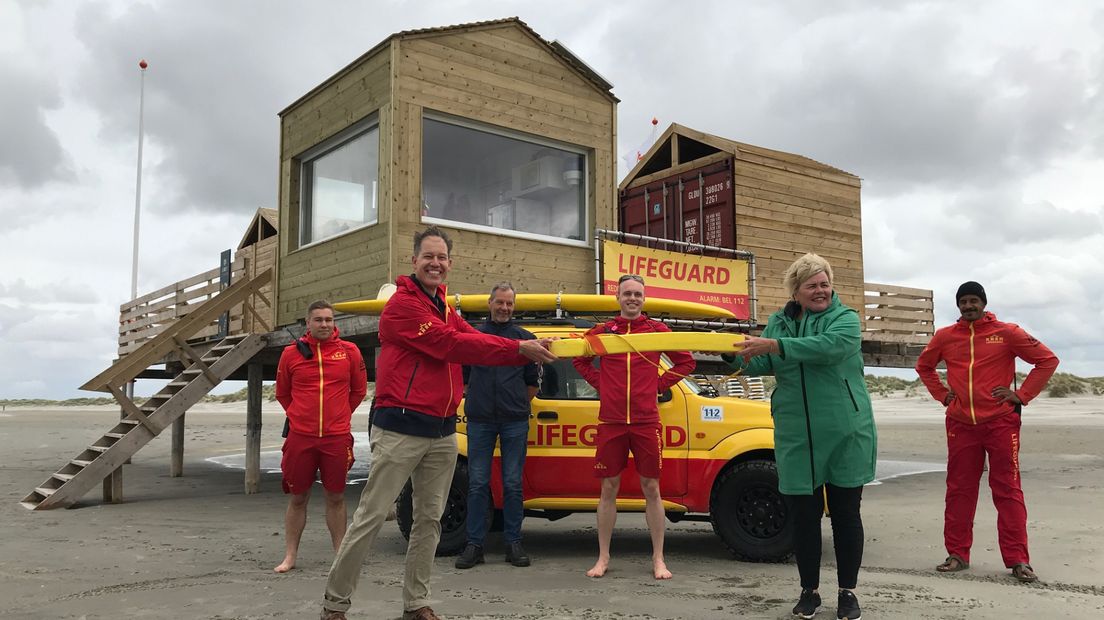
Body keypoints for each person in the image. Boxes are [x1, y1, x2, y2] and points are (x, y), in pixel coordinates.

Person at [320, 226, 557, 620]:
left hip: (443, 429)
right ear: (414, 261)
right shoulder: (402, 306)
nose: (436, 263)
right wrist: (518, 349)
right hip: (400, 426)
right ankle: (335, 604)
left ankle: (416, 603)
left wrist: (527, 348)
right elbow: (452, 345)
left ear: (449, 263)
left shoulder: (445, 307)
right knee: (371, 516)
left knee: (429, 520)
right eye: (428, 256)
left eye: (442, 257)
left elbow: (473, 339)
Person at [721, 253, 876, 620]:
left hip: (844, 432)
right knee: (804, 518)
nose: (820, 291)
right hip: (796, 434)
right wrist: (731, 353)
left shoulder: (846, 319)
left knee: (845, 515)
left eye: (824, 283)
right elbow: (761, 363)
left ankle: (847, 593)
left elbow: (828, 348)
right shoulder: (780, 322)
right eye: (812, 285)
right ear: (796, 290)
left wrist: (775, 346)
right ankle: (809, 591)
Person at [915, 281, 1058, 583]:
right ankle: (957, 555)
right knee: (959, 490)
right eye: (963, 302)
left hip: (1001, 423)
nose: (968, 306)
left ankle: (1018, 560)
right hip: (960, 424)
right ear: (958, 306)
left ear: (983, 302)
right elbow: (924, 366)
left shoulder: (1007, 333)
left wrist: (1021, 395)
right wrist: (942, 395)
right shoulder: (945, 337)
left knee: (1007, 489)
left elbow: (1047, 360)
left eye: (973, 301)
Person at [572, 274, 695, 580]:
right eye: (627, 293)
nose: (632, 298)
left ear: (644, 298)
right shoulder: (603, 332)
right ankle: (602, 558)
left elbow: (686, 362)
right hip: (611, 421)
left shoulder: (657, 330)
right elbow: (578, 359)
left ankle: (658, 559)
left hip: (645, 420)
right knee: (608, 488)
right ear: (617, 297)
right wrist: (603, 384)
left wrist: (657, 384)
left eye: (637, 294)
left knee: (651, 488)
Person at [274, 300, 368, 574]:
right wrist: (300, 416)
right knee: (298, 497)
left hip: (336, 437)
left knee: (336, 497)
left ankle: (340, 554)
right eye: (319, 320)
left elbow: (358, 391)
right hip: (300, 437)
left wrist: (339, 416)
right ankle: (290, 556)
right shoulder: (290, 354)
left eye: (329, 319)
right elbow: (283, 393)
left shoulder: (349, 351)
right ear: (308, 323)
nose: (325, 324)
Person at [455, 282, 541, 570]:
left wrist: (515, 403)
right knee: (478, 484)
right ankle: (474, 544)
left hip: (515, 421)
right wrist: (480, 398)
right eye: (499, 302)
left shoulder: (525, 340)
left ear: (514, 306)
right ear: (489, 303)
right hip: (479, 421)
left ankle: (513, 543)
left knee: (513, 484)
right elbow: (464, 379)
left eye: (509, 303)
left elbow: (532, 383)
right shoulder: (474, 337)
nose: (504, 308)